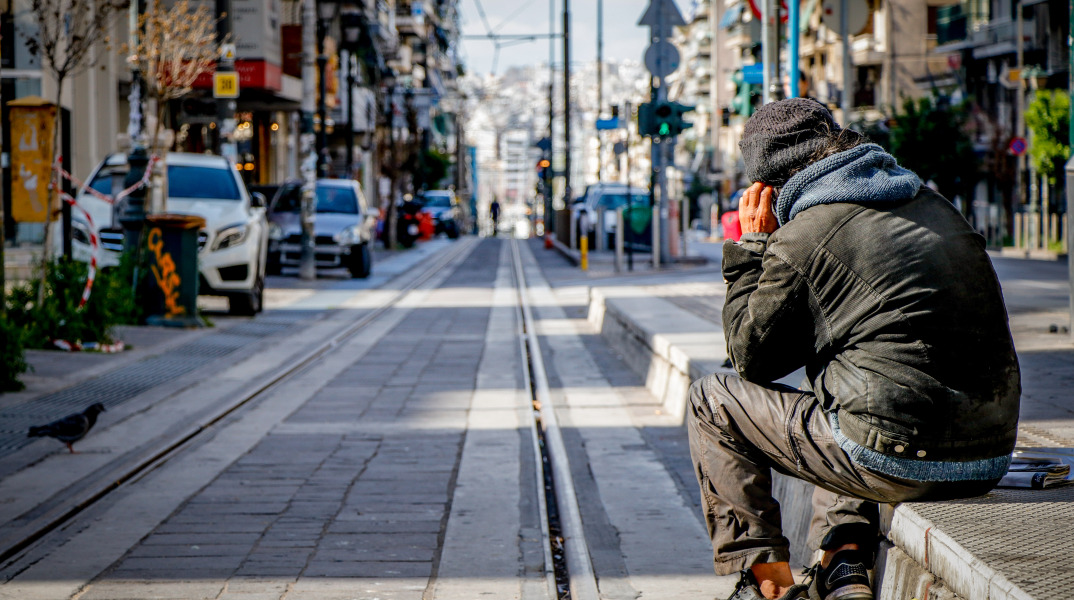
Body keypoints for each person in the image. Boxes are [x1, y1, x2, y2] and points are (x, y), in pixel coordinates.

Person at [687, 98, 1020, 600]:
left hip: (904, 460)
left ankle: (768, 587)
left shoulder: (803, 237)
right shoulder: (933, 204)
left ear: (768, 187)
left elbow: (750, 359)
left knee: (711, 401)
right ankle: (843, 562)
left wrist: (751, 247)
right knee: (842, 382)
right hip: (990, 455)